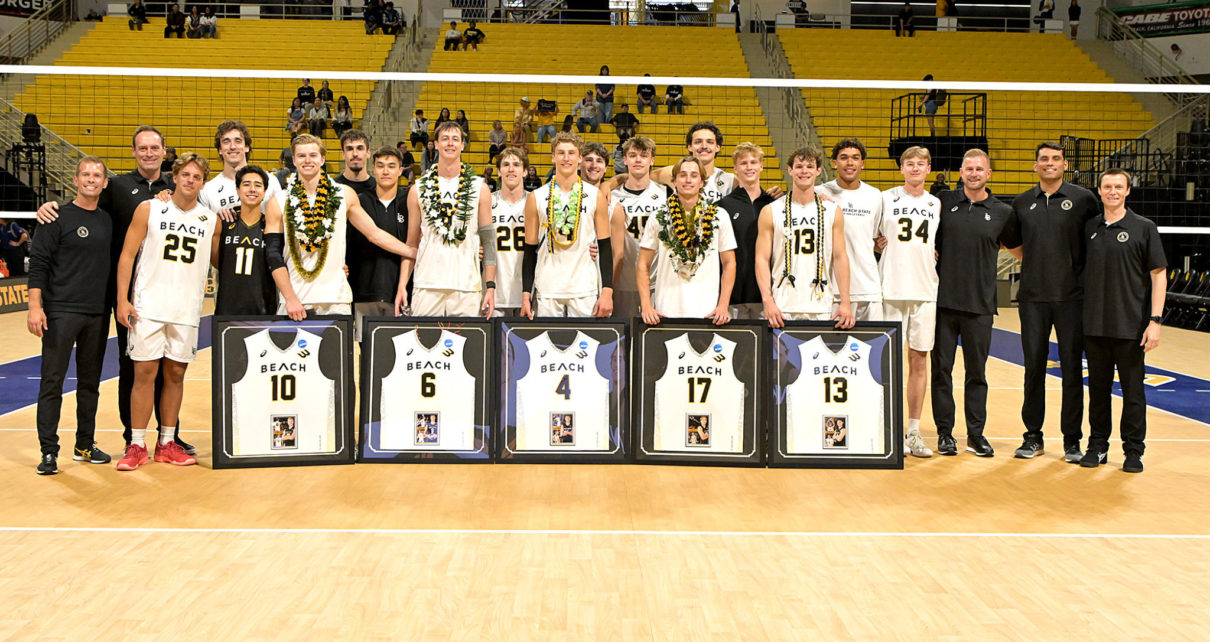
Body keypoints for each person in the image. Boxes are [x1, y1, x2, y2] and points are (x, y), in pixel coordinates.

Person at [35, 126, 193, 454]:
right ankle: (131, 438)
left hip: (168, 288)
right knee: (130, 365)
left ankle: (169, 435)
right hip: (125, 295)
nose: (149, 153)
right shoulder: (117, 186)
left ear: (164, 152)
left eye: (154, 148)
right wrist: (51, 208)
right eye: (142, 148)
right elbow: (84, 205)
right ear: (134, 152)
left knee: (170, 364)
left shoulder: (176, 186)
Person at [113, 153, 217, 471]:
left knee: (175, 375)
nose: (190, 180)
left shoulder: (211, 219)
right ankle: (135, 444)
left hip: (187, 311)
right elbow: (127, 256)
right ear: (174, 176)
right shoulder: (150, 208)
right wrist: (122, 299)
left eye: (197, 177)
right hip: (148, 307)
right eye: (185, 174)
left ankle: (167, 442)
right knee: (144, 375)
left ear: (202, 182)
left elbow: (220, 262)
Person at [1002, 142, 1099, 462]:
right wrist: (1036, 264)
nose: (1049, 163)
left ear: (1065, 164)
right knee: (1033, 368)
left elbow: (1097, 241)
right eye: (1043, 159)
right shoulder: (1022, 202)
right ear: (1035, 166)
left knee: (1072, 369)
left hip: (1072, 298)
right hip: (1033, 299)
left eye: (1055, 159)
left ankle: (1072, 440)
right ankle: (1033, 437)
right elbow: (1012, 243)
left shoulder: (1083, 199)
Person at [265, 134, 417, 319]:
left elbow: (374, 234)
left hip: (336, 301)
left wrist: (413, 252)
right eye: (301, 156)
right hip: (294, 300)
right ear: (294, 160)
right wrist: (289, 298)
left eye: (313, 155)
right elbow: (273, 255)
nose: (307, 160)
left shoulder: (344, 194)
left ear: (322, 159)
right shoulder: (279, 200)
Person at [29, 157, 113, 475]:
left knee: (90, 384)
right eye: (86, 174)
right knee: (52, 381)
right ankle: (49, 452)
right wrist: (35, 307)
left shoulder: (108, 220)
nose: (91, 179)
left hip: (97, 312)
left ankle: (84, 445)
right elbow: (38, 265)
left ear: (104, 183)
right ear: (75, 180)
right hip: (61, 311)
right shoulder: (55, 217)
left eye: (97, 175)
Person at [1080, 168, 1166, 473]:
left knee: (1133, 393)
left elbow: (1158, 275)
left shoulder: (1144, 228)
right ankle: (1098, 445)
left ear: (1128, 190)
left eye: (1118, 187)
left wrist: (1155, 321)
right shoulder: (1090, 227)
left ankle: (1133, 451)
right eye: (1107, 187)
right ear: (1100, 191)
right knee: (1098, 391)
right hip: (1094, 325)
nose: (1112, 191)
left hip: (1131, 327)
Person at [931, 149, 1013, 457]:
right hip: (944, 304)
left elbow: (1018, 248)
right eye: (969, 168)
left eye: (980, 169)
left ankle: (976, 434)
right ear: (961, 172)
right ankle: (944, 434)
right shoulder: (945, 203)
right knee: (942, 372)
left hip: (980, 306)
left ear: (988, 174)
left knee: (977, 374)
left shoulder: (1003, 212)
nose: (974, 173)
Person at [396, 121, 496, 318]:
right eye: (445, 139)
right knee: (424, 346)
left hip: (467, 286)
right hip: (427, 284)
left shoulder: (480, 187)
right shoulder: (418, 189)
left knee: (467, 347)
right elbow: (411, 243)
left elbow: (489, 242)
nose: (450, 143)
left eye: (455, 139)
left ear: (463, 145)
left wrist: (490, 287)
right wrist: (402, 285)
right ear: (435, 143)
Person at [880, 146, 941, 458]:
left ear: (928, 168)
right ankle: (887, 429)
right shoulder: (885, 198)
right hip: (890, 289)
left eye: (921, 164)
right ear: (901, 168)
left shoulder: (936, 203)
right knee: (886, 363)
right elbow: (871, 237)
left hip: (925, 291)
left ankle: (914, 431)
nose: (915, 168)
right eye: (909, 163)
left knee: (919, 360)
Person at [755, 145, 855, 329]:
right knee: (781, 358)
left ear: (818, 170)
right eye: (799, 166)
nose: (804, 171)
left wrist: (845, 302)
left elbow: (840, 257)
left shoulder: (832, 210)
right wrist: (767, 301)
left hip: (821, 305)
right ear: (790, 170)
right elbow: (761, 259)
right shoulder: (771, 211)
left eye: (809, 166)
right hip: (781, 305)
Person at [521, 133, 614, 319]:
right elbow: (530, 249)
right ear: (553, 157)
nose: (566, 158)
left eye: (571, 153)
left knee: (584, 347)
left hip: (584, 289)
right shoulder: (536, 197)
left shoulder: (595, 196)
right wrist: (526, 294)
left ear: (580, 158)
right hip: (548, 288)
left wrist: (607, 292)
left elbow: (605, 247)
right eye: (561, 153)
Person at [636, 155, 736, 325]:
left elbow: (729, 263)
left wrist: (723, 305)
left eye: (694, 175)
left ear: (702, 182)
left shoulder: (719, 215)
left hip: (708, 311)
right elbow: (643, 264)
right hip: (666, 310)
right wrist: (646, 306)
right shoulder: (659, 216)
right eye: (682, 175)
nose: (688, 180)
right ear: (674, 181)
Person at [819, 138, 883, 321]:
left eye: (855, 158)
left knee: (873, 348)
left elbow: (875, 238)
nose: (849, 162)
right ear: (834, 163)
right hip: (832, 290)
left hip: (868, 288)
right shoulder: (819, 193)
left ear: (862, 163)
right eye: (843, 157)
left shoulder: (875, 196)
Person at [349, 147, 409, 338]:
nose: (385, 171)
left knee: (400, 355)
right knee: (366, 353)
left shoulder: (409, 202)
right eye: (380, 166)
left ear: (400, 170)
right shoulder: (359, 202)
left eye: (391, 166)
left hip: (400, 294)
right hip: (364, 292)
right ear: (373, 169)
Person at [608, 135, 664, 320]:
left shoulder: (666, 194)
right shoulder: (612, 196)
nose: (638, 160)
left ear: (652, 160)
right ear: (624, 160)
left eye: (644, 155)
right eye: (632, 155)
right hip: (623, 282)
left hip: (657, 283)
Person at [718, 142, 775, 320]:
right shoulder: (723, 206)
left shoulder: (774, 205)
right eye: (743, 163)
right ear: (735, 168)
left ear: (761, 166)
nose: (749, 167)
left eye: (753, 162)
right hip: (733, 296)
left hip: (768, 296)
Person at [210, 165, 277, 316]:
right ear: (237, 190)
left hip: (264, 311)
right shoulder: (223, 222)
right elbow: (216, 262)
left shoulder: (271, 226)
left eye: (258, 185)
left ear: (264, 192)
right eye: (246, 184)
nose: (252, 189)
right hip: (226, 310)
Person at [200, 120, 284, 215]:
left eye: (238, 141)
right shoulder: (207, 190)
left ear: (247, 147)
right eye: (226, 141)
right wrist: (218, 221)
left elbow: (280, 221)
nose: (232, 147)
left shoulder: (270, 181)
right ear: (220, 149)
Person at [491, 147, 530, 316]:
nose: (511, 169)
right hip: (495, 292)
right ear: (499, 172)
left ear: (525, 171)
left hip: (528, 293)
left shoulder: (536, 201)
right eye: (506, 165)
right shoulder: (488, 201)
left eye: (516, 164)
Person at [334, 129, 376, 195]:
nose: (355, 154)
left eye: (360, 148)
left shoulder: (378, 188)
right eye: (349, 149)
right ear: (343, 154)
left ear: (368, 153)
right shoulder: (333, 188)